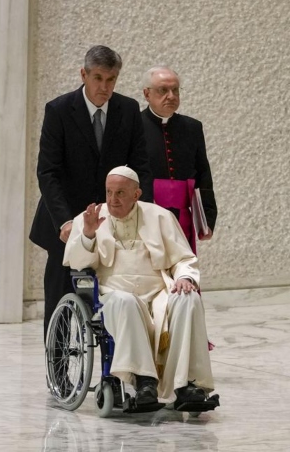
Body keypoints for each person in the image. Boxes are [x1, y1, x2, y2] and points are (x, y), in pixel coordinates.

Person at [63, 166, 217, 410]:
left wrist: (185, 278)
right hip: (113, 293)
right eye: (109, 192)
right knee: (126, 302)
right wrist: (89, 235)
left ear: (137, 194)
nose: (113, 200)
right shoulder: (90, 218)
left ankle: (186, 384)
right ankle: (145, 382)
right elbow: (78, 265)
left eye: (121, 193)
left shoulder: (160, 216)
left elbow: (184, 259)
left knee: (189, 299)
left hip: (159, 293)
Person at [30, 45, 153, 343]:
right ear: (83, 74)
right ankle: (58, 366)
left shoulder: (127, 111)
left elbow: (139, 168)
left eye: (111, 79)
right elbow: (48, 172)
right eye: (98, 78)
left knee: (117, 292)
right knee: (61, 292)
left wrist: (130, 210)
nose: (105, 87)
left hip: (114, 218)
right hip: (66, 221)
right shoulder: (58, 110)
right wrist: (65, 222)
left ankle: (117, 367)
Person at [141, 66, 217, 252]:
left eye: (175, 90)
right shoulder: (134, 126)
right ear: (146, 94)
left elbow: (203, 174)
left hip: (183, 217)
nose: (171, 96)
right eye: (163, 90)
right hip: (145, 215)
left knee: (183, 273)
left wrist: (207, 219)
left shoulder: (192, 127)